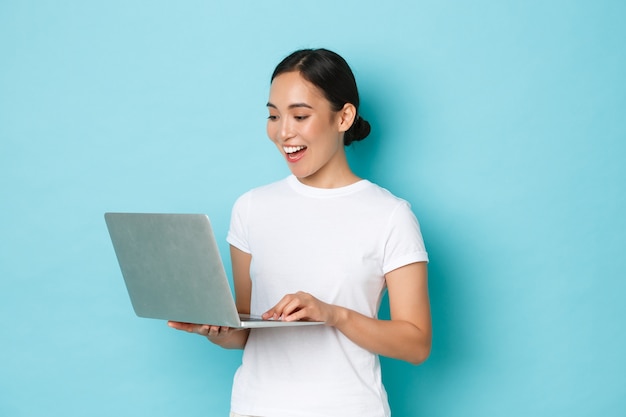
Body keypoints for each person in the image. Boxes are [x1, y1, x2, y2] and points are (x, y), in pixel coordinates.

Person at [168, 48, 431, 417]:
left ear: (344, 117)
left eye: (300, 115)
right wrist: (215, 328)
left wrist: (334, 315)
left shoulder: (390, 215)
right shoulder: (251, 208)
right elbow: (246, 330)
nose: (283, 132)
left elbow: (416, 343)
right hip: (255, 407)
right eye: (273, 115)